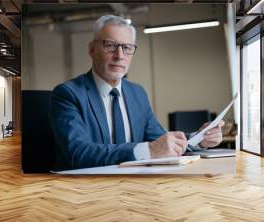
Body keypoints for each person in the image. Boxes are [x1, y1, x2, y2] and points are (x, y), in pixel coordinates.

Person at [50, 15, 224, 170]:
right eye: (110, 45)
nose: (119, 55)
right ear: (92, 49)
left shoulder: (137, 93)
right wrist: (147, 151)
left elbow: (159, 139)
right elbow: (77, 153)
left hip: (134, 185)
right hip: (84, 190)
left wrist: (199, 138)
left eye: (127, 47)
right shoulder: (67, 94)